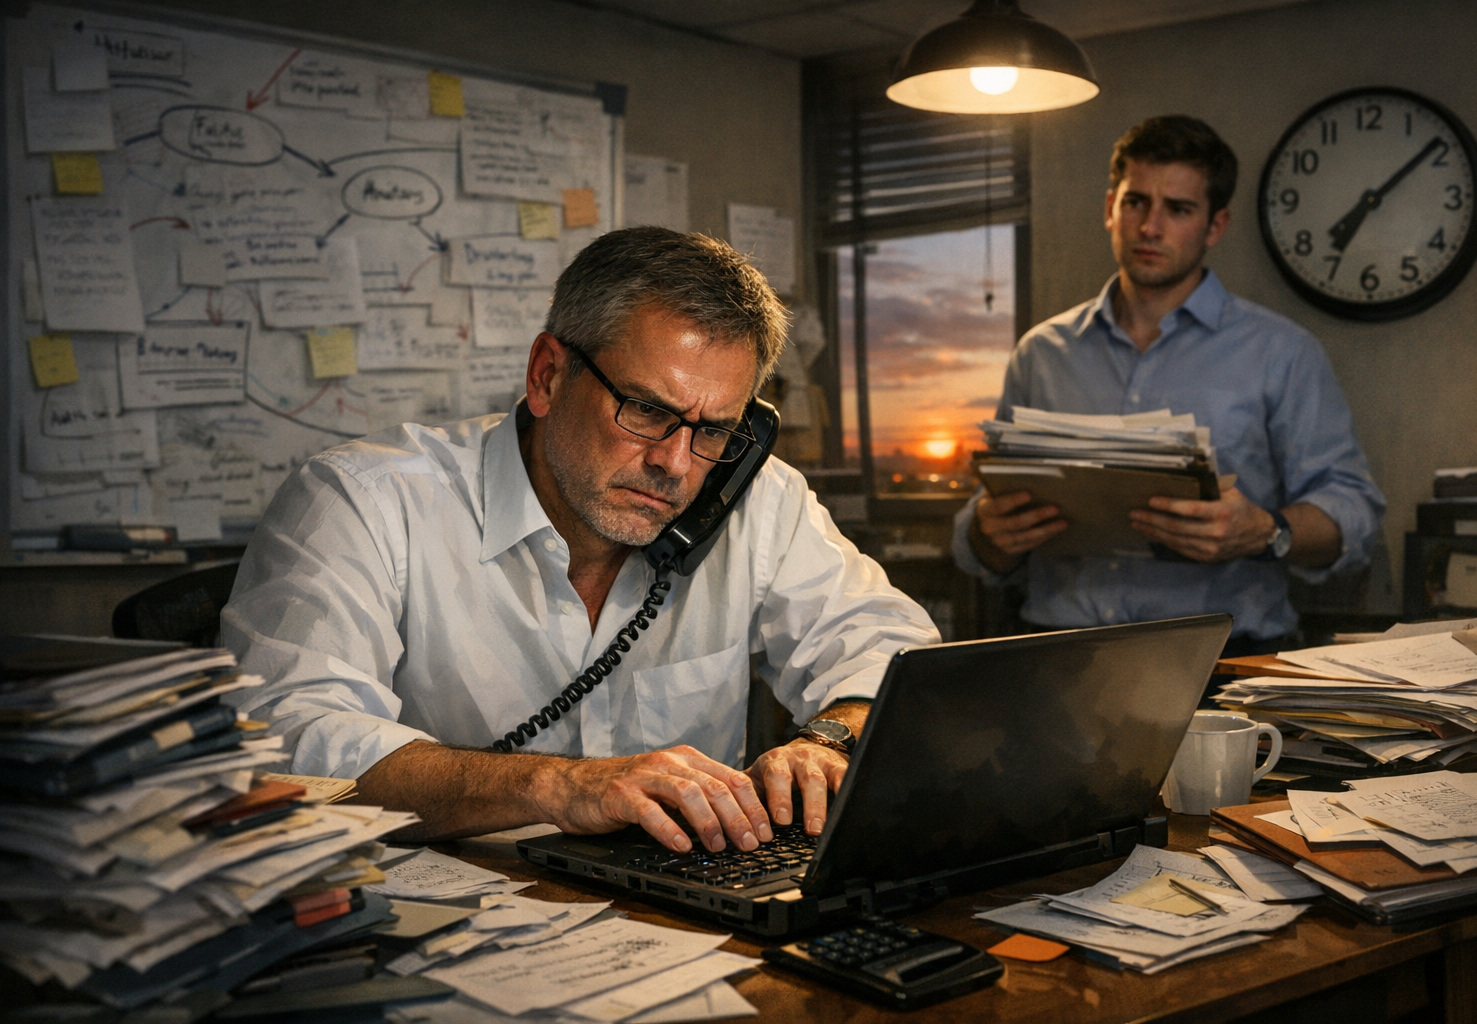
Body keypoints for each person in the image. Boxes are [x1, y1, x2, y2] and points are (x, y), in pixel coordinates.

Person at [224, 227, 939, 855]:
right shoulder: (363, 498)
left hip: (683, 920)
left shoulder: (758, 498)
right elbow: (285, 741)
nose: (676, 463)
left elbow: (892, 650)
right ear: (547, 376)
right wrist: (555, 787)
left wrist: (830, 741)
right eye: (646, 410)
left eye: (715, 430)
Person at [953, 115, 1384, 654]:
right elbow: (981, 541)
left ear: (1215, 226)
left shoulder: (1282, 352)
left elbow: (1356, 513)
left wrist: (1266, 530)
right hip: (1058, 658)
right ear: (1110, 207)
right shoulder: (1042, 352)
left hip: (1221, 664)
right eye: (1136, 202)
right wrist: (989, 534)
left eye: (1178, 209)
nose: (1150, 227)